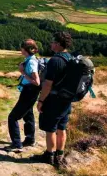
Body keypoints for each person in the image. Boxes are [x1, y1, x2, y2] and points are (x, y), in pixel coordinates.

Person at [30, 31, 73, 168]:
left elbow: (48, 84)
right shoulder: (70, 58)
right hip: (66, 100)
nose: (51, 44)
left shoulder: (55, 60)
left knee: (51, 129)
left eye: (53, 42)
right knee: (62, 127)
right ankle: (59, 155)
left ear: (59, 44)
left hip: (54, 100)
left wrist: (41, 101)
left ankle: (49, 155)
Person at [6, 39, 41, 153]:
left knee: (12, 117)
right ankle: (30, 140)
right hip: (30, 92)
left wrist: (22, 72)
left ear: (25, 49)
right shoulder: (31, 59)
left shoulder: (31, 62)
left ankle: (16, 144)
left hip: (30, 92)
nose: (20, 50)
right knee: (28, 115)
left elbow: (37, 81)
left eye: (22, 48)